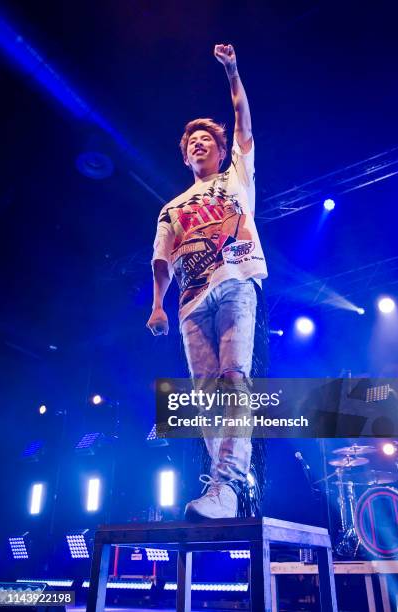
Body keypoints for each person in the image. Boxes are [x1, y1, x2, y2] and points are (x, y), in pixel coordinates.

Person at [147, 44, 268, 519]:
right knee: (204, 396)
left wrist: (233, 71)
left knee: (235, 379)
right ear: (185, 156)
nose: (198, 144)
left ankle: (225, 485)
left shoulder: (238, 175)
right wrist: (158, 304)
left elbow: (241, 118)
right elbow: (160, 260)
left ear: (221, 151)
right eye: (191, 142)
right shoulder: (171, 207)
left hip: (237, 280)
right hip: (192, 303)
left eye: (206, 140)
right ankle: (223, 486)